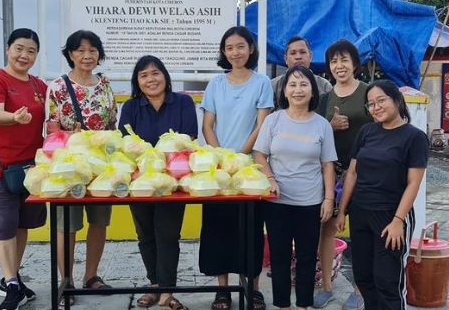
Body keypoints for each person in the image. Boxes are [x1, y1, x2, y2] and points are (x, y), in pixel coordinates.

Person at [335, 79, 429, 310]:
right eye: (370, 104)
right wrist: (341, 211)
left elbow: (413, 184)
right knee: (364, 277)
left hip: (390, 217)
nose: (375, 107)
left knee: (388, 281)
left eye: (381, 101)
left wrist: (398, 221)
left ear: (396, 100)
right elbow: (353, 173)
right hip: (360, 213)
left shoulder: (414, 137)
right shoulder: (367, 132)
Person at [199, 26, 274, 310]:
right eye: (229, 48)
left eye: (240, 46)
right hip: (218, 169)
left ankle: (253, 289)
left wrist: (240, 158)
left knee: (251, 229)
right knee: (219, 229)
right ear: (224, 52)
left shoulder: (262, 82)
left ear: (251, 49)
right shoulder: (216, 84)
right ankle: (223, 290)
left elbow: (262, 124)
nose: (235, 52)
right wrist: (221, 158)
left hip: (250, 168)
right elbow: (208, 125)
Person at [0, 28, 47, 310]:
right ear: (8, 49)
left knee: (21, 224)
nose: (24, 55)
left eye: (31, 51)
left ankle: (12, 278)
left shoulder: (39, 86)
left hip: (31, 169)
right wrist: (13, 117)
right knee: (3, 229)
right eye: (19, 48)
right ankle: (11, 284)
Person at [254, 66, 337, 310]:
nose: (298, 90)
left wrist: (329, 199)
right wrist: (269, 178)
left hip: (310, 202)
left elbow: (328, 165)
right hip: (277, 202)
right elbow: (259, 155)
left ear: (313, 92)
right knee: (278, 257)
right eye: (292, 85)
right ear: (284, 91)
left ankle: (303, 305)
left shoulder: (322, 125)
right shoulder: (273, 120)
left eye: (303, 85)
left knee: (307, 257)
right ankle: (282, 305)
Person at [119, 55, 198, 310]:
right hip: (139, 181)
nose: (150, 79)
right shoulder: (131, 107)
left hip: (171, 182)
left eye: (155, 73)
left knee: (168, 234)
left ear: (165, 75)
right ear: (137, 82)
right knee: (145, 235)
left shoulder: (183, 102)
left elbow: (188, 139)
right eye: (143, 75)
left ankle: (167, 292)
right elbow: (125, 145)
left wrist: (158, 159)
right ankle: (154, 285)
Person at [46, 30, 118, 306]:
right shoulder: (58, 86)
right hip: (70, 169)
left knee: (99, 222)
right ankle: (68, 282)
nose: (87, 55)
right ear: (70, 54)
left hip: (102, 169)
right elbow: (52, 130)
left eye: (93, 50)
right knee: (68, 225)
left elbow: (112, 125)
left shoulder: (105, 84)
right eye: (80, 50)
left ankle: (91, 276)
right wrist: (72, 137)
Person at [313, 39, 370, 310]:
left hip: (363, 172)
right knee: (327, 228)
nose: (339, 65)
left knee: (360, 230)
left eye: (344, 59)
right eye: (334, 61)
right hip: (331, 172)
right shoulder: (324, 99)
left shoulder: (370, 93)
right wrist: (328, 125)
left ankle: (359, 290)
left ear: (355, 63)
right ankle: (326, 285)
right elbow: (312, 134)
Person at [271, 36, 332, 109]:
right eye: (293, 53)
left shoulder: (324, 86)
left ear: (311, 56)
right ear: (286, 59)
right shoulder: (273, 85)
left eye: (302, 52)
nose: (298, 57)